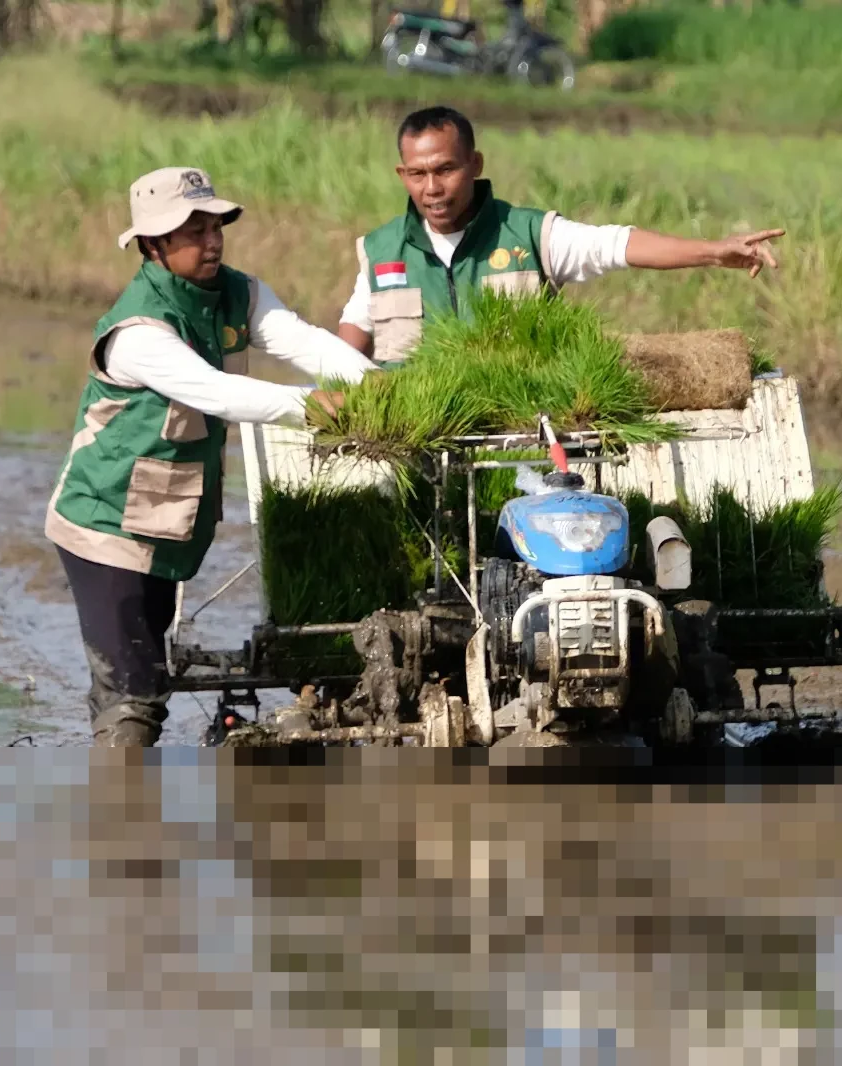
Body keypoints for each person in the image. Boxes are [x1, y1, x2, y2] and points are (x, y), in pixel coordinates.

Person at [46, 165, 378, 747]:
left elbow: (300, 340)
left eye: (215, 224)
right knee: (131, 700)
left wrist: (383, 390)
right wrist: (312, 406)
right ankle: (117, 817)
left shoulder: (237, 292)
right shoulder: (138, 330)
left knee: (151, 681)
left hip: (169, 519)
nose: (212, 239)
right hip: (103, 523)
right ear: (153, 245)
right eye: (192, 230)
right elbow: (215, 391)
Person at [336, 106, 783, 364]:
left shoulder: (529, 234)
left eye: (446, 170)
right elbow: (348, 350)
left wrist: (714, 251)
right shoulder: (379, 252)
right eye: (418, 174)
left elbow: (616, 245)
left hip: (519, 436)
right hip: (421, 448)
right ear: (402, 174)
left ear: (475, 165)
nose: (431, 188)